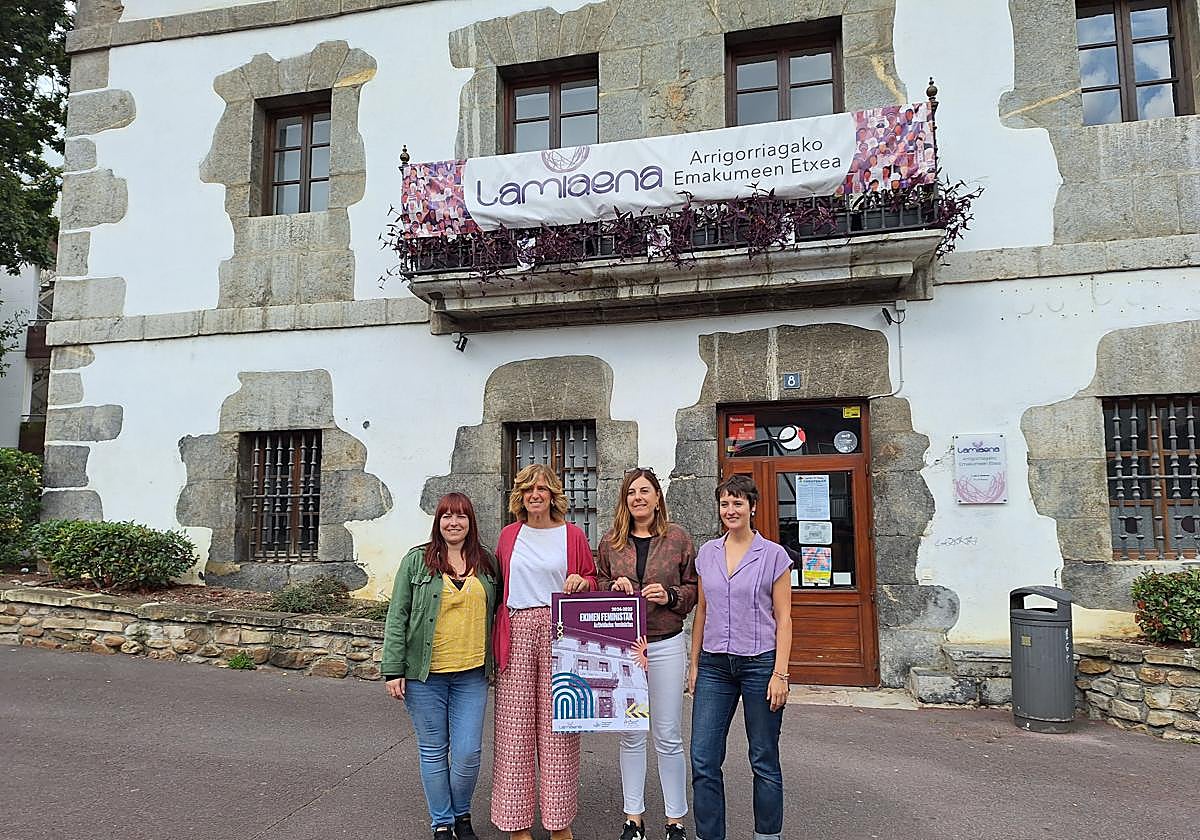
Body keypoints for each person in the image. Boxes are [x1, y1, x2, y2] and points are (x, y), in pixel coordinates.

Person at [382, 492, 498, 840]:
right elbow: (398, 615)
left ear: (470, 522)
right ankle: (443, 822)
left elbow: (502, 611)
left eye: (461, 516)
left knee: (468, 753)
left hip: (471, 674)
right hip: (425, 676)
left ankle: (462, 813)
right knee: (433, 750)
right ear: (438, 521)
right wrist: (393, 669)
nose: (453, 522)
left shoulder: (487, 563)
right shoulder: (417, 561)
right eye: (447, 516)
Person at [491, 463, 597, 840]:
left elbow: (591, 578)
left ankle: (559, 823)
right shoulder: (509, 536)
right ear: (520, 496)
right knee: (514, 730)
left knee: (559, 730)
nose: (535, 495)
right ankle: (516, 823)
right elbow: (497, 586)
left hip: (560, 630)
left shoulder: (572, 535)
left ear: (553, 495)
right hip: (517, 628)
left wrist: (582, 581)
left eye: (542, 488)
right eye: (528, 489)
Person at [688, 474, 794, 840]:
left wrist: (780, 674)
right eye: (724, 503)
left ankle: (767, 836)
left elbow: (784, 618)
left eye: (738, 503)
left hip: (760, 664)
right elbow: (703, 610)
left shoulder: (774, 556)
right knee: (703, 757)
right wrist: (694, 663)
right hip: (715, 665)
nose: (730, 510)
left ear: (752, 507)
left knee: (763, 758)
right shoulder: (707, 553)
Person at [596, 468, 698, 840]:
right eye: (631, 493)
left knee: (668, 734)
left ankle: (675, 821)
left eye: (644, 491)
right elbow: (598, 581)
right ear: (625, 500)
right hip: (625, 648)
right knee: (631, 732)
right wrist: (614, 586)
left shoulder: (678, 538)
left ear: (657, 497)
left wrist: (670, 596)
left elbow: (693, 588)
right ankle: (633, 818)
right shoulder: (611, 541)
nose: (638, 498)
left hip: (666, 643)